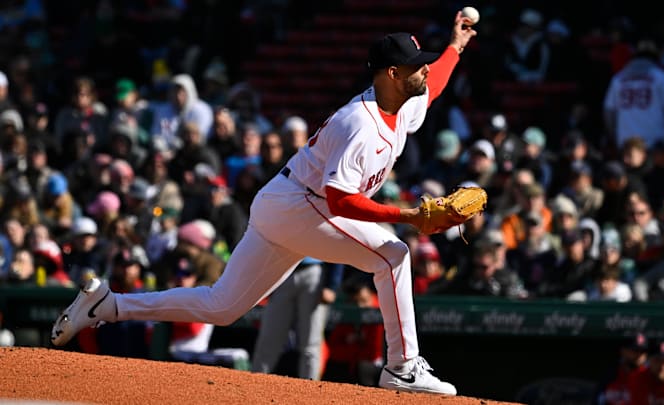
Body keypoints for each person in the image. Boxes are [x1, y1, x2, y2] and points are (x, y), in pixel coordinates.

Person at [51, 12, 477, 396]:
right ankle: (402, 367)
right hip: (304, 205)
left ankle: (108, 305)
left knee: (222, 307)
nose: (423, 68)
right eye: (415, 64)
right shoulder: (360, 125)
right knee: (393, 255)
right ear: (391, 73)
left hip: (286, 204)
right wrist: (407, 218)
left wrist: (455, 48)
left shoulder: (402, 102)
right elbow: (339, 198)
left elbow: (433, 84)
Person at [251, 259, 342, 380]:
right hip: (283, 271)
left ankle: (311, 392)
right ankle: (255, 385)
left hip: (314, 272)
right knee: (269, 340)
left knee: (311, 343)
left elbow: (336, 245)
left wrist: (332, 284)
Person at [594, 333, 648, 405]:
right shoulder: (611, 373)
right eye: (635, 350)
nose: (639, 355)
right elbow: (597, 399)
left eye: (643, 352)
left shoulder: (648, 377)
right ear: (623, 350)